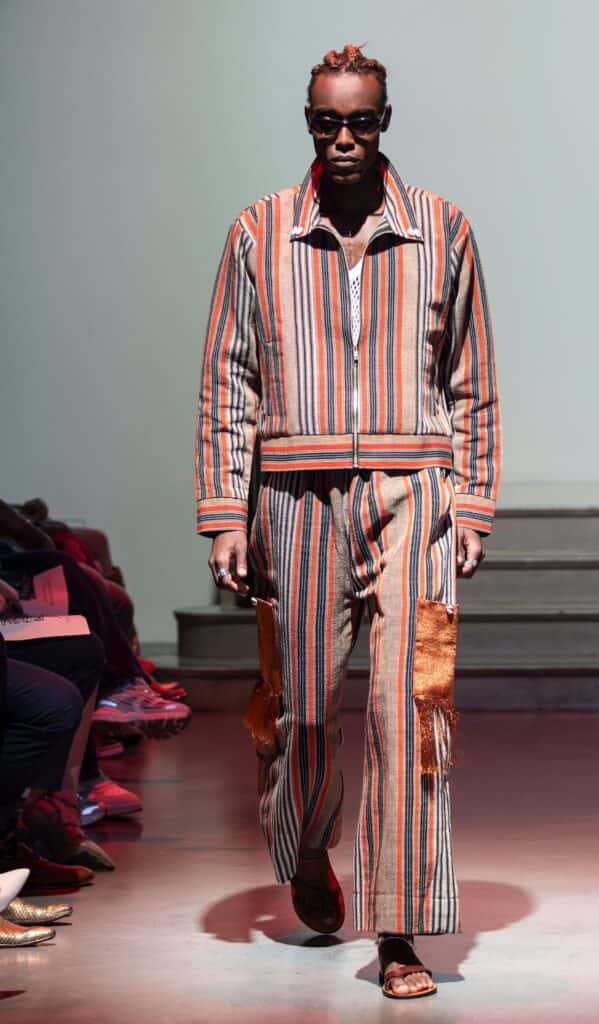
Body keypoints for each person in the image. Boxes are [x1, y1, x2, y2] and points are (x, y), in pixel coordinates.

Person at [194, 44, 501, 1000]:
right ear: (307, 122)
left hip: (413, 490)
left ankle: (400, 929)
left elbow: (472, 380)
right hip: (293, 496)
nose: (340, 139)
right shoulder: (260, 231)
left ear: (385, 120)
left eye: (358, 121)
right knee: (308, 706)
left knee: (410, 707)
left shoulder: (442, 229)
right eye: (324, 122)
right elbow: (226, 382)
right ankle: (305, 845)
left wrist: (475, 501)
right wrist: (223, 513)